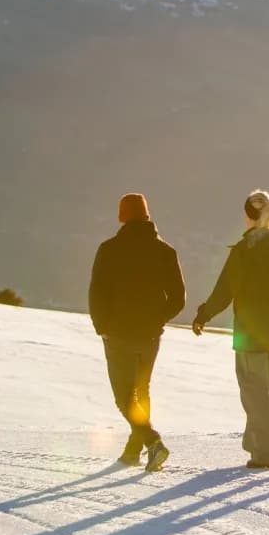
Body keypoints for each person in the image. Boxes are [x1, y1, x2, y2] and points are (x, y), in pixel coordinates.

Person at [192, 189, 269, 469]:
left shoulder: (245, 250)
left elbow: (225, 290)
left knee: (254, 392)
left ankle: (266, 453)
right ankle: (256, 440)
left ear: (251, 217)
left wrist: (203, 314)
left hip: (250, 333)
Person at [89, 192, 186, 472]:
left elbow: (97, 294)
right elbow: (179, 298)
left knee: (124, 397)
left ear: (122, 216)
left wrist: (102, 327)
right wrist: (158, 319)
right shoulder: (165, 251)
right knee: (141, 391)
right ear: (146, 216)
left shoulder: (109, 249)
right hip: (150, 336)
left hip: (117, 334)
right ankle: (133, 451)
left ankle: (153, 442)